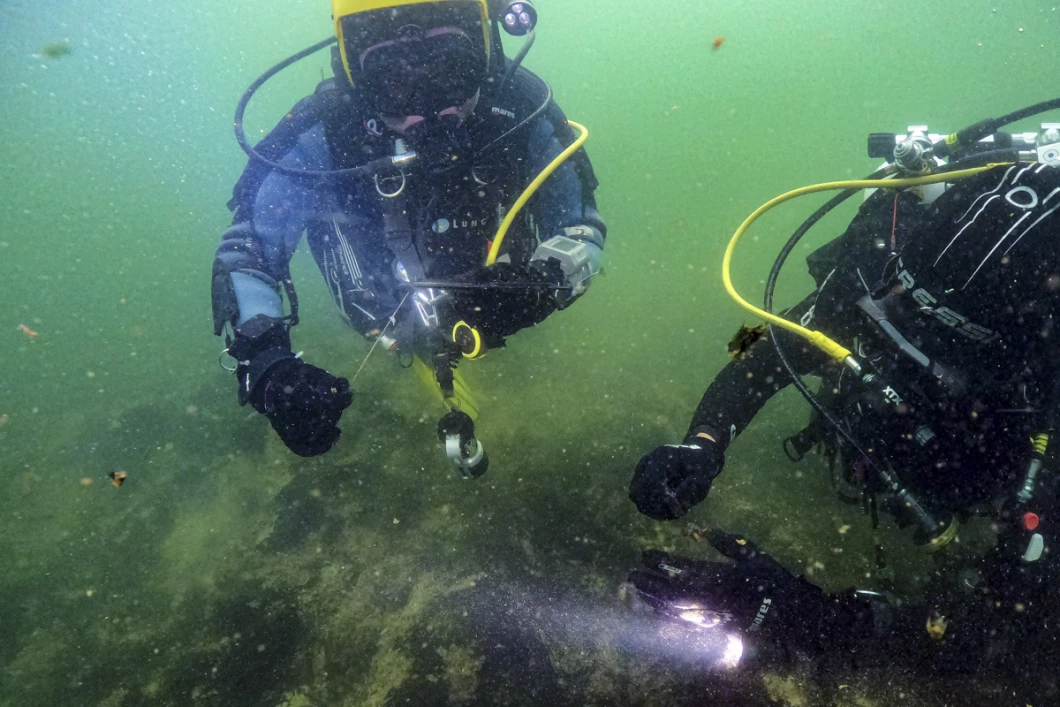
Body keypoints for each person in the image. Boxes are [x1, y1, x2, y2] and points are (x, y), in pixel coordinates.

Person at [627, 145, 1060, 699]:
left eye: (939, 345)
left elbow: (990, 635)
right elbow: (765, 358)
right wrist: (703, 445)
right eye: (898, 307)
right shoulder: (882, 267)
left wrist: (812, 616)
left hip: (996, 469)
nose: (895, 334)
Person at [210, 0, 605, 459]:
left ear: (487, 50)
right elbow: (249, 248)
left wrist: (537, 285)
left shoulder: (521, 107)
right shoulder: (327, 127)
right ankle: (409, 335)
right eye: (394, 79)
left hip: (501, 291)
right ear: (353, 75)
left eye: (452, 68)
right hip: (382, 306)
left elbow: (581, 226)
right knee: (391, 316)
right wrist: (266, 365)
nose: (430, 109)